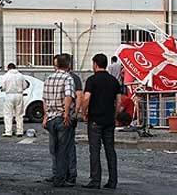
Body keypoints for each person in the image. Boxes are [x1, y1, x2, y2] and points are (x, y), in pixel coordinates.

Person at [82, 53, 122, 190]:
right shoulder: (114, 81)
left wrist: (83, 112)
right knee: (110, 150)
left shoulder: (91, 80)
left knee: (94, 150)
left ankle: (95, 180)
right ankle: (113, 180)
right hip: (109, 119)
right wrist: (115, 115)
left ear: (95, 64)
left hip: (95, 119)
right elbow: (119, 101)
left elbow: (86, 98)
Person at [42, 54, 76, 188]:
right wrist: (66, 113)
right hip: (61, 117)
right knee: (63, 149)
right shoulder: (68, 78)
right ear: (68, 65)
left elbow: (44, 99)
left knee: (54, 149)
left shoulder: (49, 78)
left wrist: (45, 116)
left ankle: (56, 174)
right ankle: (61, 179)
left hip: (50, 117)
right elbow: (68, 96)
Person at [1, 62, 29, 137]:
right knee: (19, 114)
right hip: (19, 95)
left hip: (9, 95)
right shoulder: (20, 75)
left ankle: (8, 131)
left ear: (8, 68)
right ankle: (19, 131)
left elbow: (3, 87)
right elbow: (25, 86)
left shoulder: (6, 76)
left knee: (8, 114)